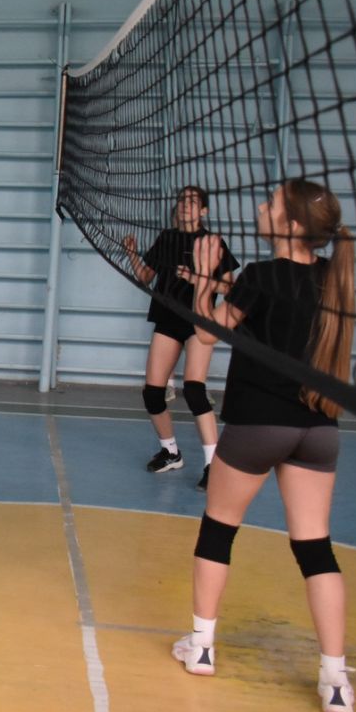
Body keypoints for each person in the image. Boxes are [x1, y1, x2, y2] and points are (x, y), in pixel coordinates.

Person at [173, 178, 356, 712]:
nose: (261, 205)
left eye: (270, 202)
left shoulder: (260, 276)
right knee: (315, 548)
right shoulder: (333, 279)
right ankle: (335, 681)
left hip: (257, 426)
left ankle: (202, 648)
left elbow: (208, 334)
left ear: (291, 225)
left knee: (218, 530)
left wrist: (204, 281)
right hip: (318, 430)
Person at [121, 186, 238, 488]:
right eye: (182, 200)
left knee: (194, 391)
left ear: (203, 211)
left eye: (193, 201)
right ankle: (171, 452)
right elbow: (145, 277)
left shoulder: (212, 243)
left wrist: (198, 279)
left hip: (199, 321)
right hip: (167, 318)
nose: (185, 205)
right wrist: (132, 253)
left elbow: (229, 287)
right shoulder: (167, 238)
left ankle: (213, 465)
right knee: (152, 393)